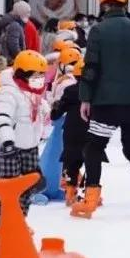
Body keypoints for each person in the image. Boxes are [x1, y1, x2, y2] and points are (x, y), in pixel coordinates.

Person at [75, 0, 130, 219]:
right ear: (125, 2)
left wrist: (85, 98)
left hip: (104, 102)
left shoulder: (98, 31)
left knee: (94, 147)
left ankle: (90, 199)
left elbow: (90, 68)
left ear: (103, 4)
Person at [0, 50, 50, 244]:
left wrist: (48, 109)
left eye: (42, 75)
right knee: (9, 189)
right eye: (36, 76)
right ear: (23, 73)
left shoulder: (34, 92)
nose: (40, 79)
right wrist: (6, 141)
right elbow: (3, 117)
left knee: (28, 187)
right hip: (10, 147)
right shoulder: (8, 91)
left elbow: (39, 112)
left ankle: (18, 222)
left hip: (29, 146)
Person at [52, 58, 89, 207]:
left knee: (71, 161)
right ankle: (90, 193)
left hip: (71, 131)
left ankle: (70, 192)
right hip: (92, 131)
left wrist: (55, 107)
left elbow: (56, 114)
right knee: (92, 162)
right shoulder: (99, 92)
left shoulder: (70, 91)